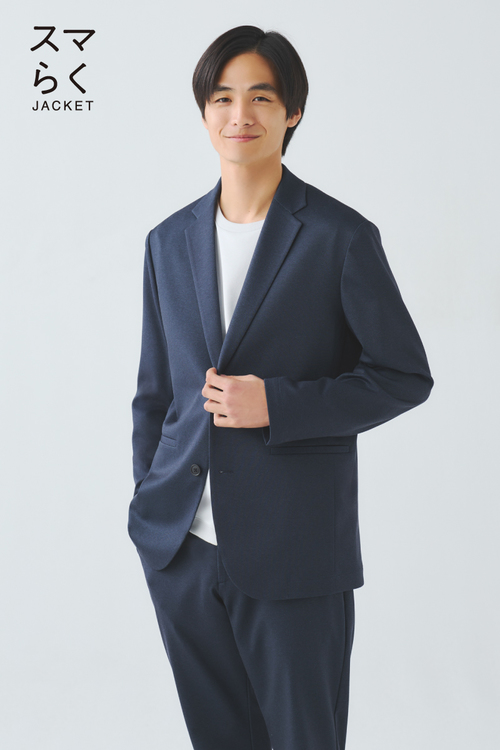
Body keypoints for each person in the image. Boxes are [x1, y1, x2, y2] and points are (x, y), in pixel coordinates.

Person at [128, 24, 433, 750]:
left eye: (261, 97)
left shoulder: (339, 236)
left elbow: (403, 375)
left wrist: (278, 404)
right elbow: (154, 394)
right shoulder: (167, 241)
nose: (240, 114)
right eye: (223, 97)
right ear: (204, 111)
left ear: (292, 111)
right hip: (182, 549)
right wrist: (150, 504)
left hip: (296, 552)